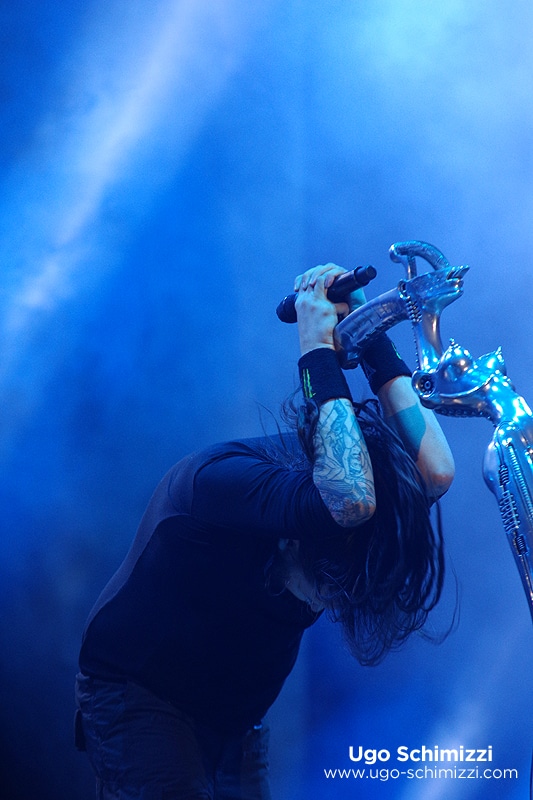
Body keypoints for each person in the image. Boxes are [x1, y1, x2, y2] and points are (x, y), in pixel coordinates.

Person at [75, 263, 455, 799]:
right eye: (324, 586)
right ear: (291, 537)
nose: (327, 601)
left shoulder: (347, 500)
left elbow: (435, 472)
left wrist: (370, 334)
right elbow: (350, 498)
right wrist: (316, 349)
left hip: (234, 714)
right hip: (142, 695)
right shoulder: (227, 485)